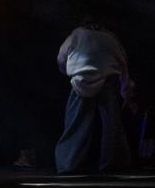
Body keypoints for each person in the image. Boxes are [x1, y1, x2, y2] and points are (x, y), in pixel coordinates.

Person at [54, 16, 133, 174]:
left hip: (81, 81)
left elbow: (61, 58)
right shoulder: (110, 38)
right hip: (106, 82)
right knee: (111, 126)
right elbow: (123, 63)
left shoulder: (77, 35)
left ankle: (69, 164)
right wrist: (126, 89)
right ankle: (113, 164)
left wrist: (66, 72)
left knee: (76, 124)